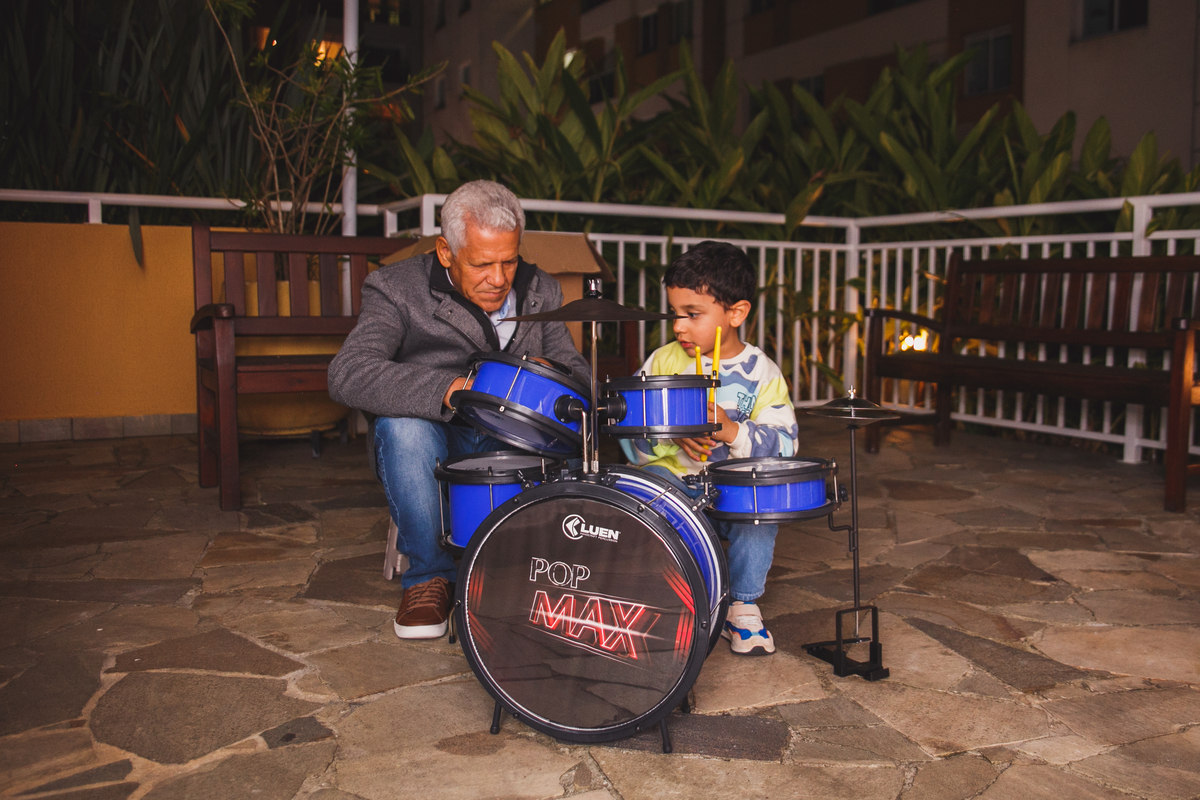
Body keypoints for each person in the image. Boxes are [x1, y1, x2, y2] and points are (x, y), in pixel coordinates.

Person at [328, 180, 589, 641]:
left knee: (563, 425)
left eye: (509, 260)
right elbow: (347, 372)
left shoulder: (540, 289)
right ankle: (429, 578)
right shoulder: (396, 288)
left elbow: (577, 373)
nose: (500, 278)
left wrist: (555, 374)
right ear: (446, 251)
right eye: (482, 263)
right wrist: (447, 389)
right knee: (403, 428)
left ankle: (535, 565)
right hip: (435, 437)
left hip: (513, 439)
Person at [621, 241, 798, 655]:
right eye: (676, 314)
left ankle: (743, 605)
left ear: (735, 313)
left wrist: (730, 430)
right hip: (679, 486)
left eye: (692, 315)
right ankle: (680, 592)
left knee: (762, 503)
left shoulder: (762, 373)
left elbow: (785, 446)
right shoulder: (663, 362)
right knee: (650, 486)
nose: (679, 327)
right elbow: (625, 429)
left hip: (733, 492)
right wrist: (669, 432)